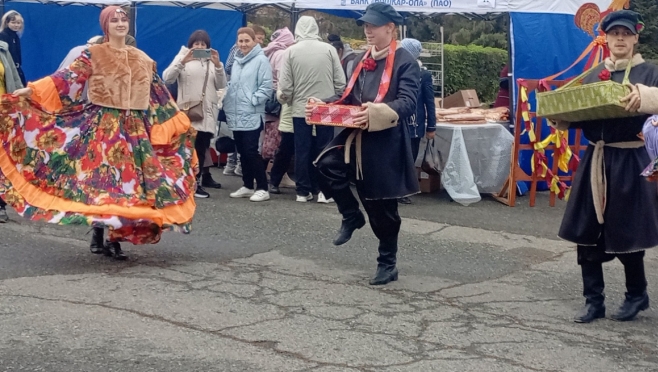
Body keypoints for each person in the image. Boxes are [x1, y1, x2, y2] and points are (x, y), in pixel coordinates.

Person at [1, 6, 197, 260]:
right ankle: (98, 233)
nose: (120, 23)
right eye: (113, 20)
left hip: (135, 130)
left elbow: (159, 96)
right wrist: (32, 91)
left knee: (131, 186)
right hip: (104, 126)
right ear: (105, 26)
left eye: (123, 19)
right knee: (104, 184)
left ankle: (115, 239)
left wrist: (178, 122)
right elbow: (67, 78)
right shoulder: (93, 54)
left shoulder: (143, 59)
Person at [553, 10, 658, 323]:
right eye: (615, 34)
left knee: (627, 232)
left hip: (630, 159)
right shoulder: (594, 73)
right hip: (596, 160)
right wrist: (561, 114)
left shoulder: (650, 73)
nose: (620, 39)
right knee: (586, 232)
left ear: (636, 37)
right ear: (607, 38)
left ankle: (636, 294)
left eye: (626, 33)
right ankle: (593, 301)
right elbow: (577, 111)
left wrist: (646, 96)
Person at [311, 3, 420, 285]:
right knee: (324, 165)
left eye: (373, 25)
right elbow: (348, 96)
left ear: (390, 28)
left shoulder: (406, 61)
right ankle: (350, 215)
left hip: (385, 144)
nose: (367, 30)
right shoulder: (360, 58)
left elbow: (408, 103)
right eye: (366, 25)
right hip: (354, 137)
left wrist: (375, 112)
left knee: (382, 209)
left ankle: (387, 262)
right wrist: (324, 102)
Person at [279, 16, 346, 203]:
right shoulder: (330, 50)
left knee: (301, 149)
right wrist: (330, 98)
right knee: (325, 149)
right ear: (316, 28)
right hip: (325, 107)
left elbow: (285, 86)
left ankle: (302, 191)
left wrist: (290, 99)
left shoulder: (290, 52)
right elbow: (341, 82)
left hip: (301, 108)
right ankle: (324, 191)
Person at [164, 30, 226, 198]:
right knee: (187, 148)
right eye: (196, 44)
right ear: (191, 45)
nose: (199, 47)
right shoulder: (182, 57)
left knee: (202, 147)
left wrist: (219, 65)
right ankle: (185, 183)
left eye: (203, 44)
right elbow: (167, 78)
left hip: (208, 112)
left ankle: (195, 182)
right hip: (188, 111)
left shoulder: (212, 62)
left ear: (208, 46)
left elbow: (222, 85)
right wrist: (182, 62)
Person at [223, 27, 273, 202]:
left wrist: (253, 100)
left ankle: (262, 187)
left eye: (247, 41)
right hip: (236, 112)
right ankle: (247, 185)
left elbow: (266, 87)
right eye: (240, 41)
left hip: (252, 112)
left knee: (251, 151)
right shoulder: (237, 61)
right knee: (242, 151)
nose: (243, 44)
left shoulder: (261, 60)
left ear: (254, 41)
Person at [398, 38, 436, 205]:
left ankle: (403, 190)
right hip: (397, 121)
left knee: (409, 157)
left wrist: (431, 126)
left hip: (414, 124)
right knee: (395, 156)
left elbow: (429, 102)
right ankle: (394, 189)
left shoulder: (424, 74)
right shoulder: (396, 69)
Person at [0, 36, 23, 223]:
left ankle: (0, 205)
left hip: (3, 112)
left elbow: (14, 78)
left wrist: (21, 103)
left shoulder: (3, 49)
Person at [0, 10, 25, 86]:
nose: (16, 25)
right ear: (7, 23)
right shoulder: (3, 35)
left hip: (16, 68)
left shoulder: (16, 36)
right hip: (8, 69)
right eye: (13, 22)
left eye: (18, 23)